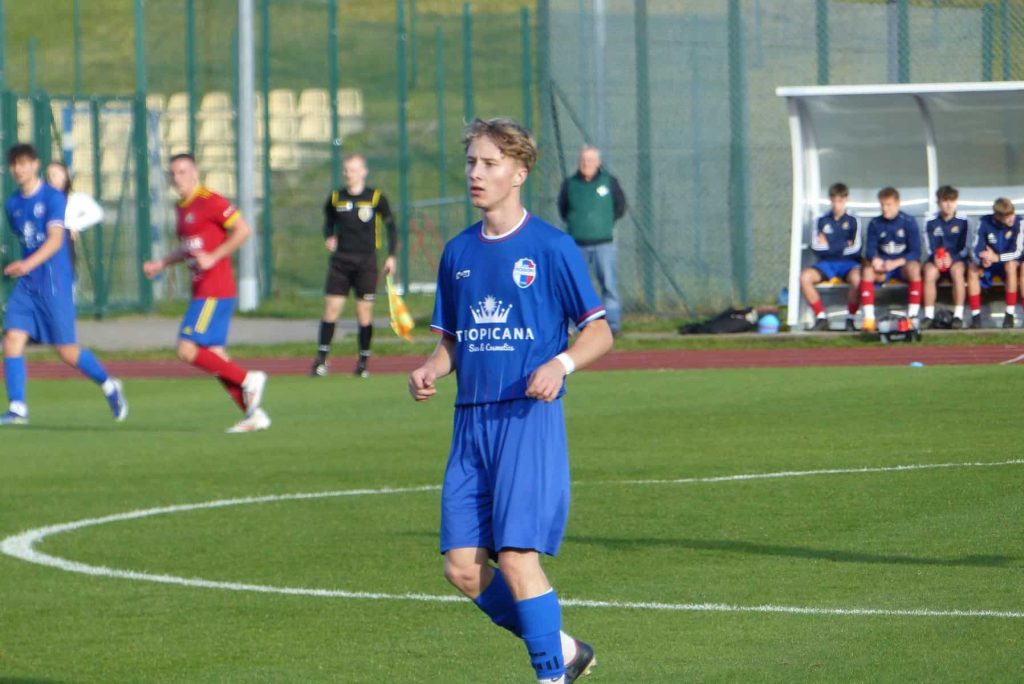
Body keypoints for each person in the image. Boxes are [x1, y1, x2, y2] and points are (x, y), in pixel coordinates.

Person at [408, 118, 612, 683]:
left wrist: (560, 363)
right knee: (462, 569)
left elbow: (599, 331)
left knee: (519, 558)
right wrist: (429, 367)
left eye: (489, 163)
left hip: (526, 420)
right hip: (470, 424)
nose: (476, 173)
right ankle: (564, 651)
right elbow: (453, 342)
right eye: (471, 162)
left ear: (519, 173)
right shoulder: (457, 252)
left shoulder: (551, 247)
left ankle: (550, 675)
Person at [142, 153, 269, 432]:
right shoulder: (181, 208)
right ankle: (254, 415)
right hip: (203, 289)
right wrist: (162, 263)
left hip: (215, 289)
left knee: (186, 349)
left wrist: (213, 257)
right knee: (214, 355)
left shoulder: (210, 201)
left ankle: (249, 379)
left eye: (183, 172)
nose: (178, 178)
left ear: (195, 172)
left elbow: (243, 230)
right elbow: (189, 247)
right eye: (173, 173)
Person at [1, 143, 126, 425]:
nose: (19, 169)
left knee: (67, 351)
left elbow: (55, 240)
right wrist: (25, 268)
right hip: (27, 286)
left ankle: (109, 384)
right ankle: (18, 408)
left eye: (24, 163)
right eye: (14, 164)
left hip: (54, 284)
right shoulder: (12, 204)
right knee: (12, 340)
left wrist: (27, 265)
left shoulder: (53, 197)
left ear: (35, 164)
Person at [310, 153, 397, 378]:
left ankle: (363, 362)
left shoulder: (375, 198)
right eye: (347, 170)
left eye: (354, 170)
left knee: (364, 313)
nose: (349, 174)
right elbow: (328, 223)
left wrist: (391, 256)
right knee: (331, 309)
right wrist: (329, 236)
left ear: (364, 171)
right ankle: (321, 360)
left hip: (366, 262)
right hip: (341, 262)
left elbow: (391, 227)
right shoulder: (336, 198)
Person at [557, 144, 626, 335]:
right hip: (577, 244)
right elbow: (563, 208)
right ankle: (573, 325)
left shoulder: (609, 181)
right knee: (575, 285)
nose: (586, 164)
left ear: (598, 162)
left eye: (590, 160)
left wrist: (602, 224)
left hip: (604, 244)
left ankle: (612, 325)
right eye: (583, 160)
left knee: (609, 285)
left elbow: (620, 207)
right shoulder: (570, 184)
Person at [799, 182, 861, 331]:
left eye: (840, 201)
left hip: (848, 263)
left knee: (857, 279)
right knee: (805, 277)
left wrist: (829, 244)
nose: (836, 205)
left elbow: (856, 248)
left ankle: (850, 319)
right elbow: (816, 247)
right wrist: (843, 244)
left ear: (846, 200)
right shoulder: (821, 220)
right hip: (827, 263)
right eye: (834, 201)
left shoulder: (853, 220)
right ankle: (821, 317)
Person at [859, 187, 922, 332]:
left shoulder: (909, 221)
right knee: (867, 271)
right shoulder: (875, 223)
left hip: (902, 266)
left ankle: (912, 317)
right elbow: (869, 250)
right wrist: (875, 260)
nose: (885, 209)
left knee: (915, 269)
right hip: (884, 266)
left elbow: (916, 252)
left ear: (897, 204)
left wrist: (896, 262)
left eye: (889, 205)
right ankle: (869, 319)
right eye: (882, 205)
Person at [967, 197, 1022, 329]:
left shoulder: (1019, 222)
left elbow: (1017, 252)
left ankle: (1009, 315)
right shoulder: (984, 222)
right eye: (1007, 216)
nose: (1011, 218)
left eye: (1012, 214)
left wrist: (997, 257)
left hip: (1007, 261)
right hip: (989, 264)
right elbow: (975, 248)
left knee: (1011, 266)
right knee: (972, 269)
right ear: (997, 216)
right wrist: (982, 260)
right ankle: (975, 316)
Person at [921, 185, 969, 329]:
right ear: (938, 202)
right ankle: (928, 316)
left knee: (957, 272)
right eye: (945, 201)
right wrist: (936, 257)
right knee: (929, 272)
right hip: (936, 259)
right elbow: (928, 246)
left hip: (957, 259)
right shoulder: (930, 221)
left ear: (956, 202)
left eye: (952, 201)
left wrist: (952, 258)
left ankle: (958, 316)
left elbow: (966, 247)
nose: (948, 205)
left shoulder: (964, 220)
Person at [45, 161, 105, 276]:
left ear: (66, 176)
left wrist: (74, 225)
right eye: (49, 175)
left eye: (55, 174)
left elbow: (98, 213)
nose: (51, 179)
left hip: (65, 254)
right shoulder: (44, 201)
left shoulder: (74, 199)